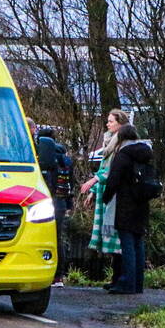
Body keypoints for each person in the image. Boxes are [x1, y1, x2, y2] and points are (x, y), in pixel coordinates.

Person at [81, 109, 130, 288]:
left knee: (117, 238)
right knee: (112, 238)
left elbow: (110, 170)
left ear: (120, 123)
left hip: (115, 196)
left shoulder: (121, 144)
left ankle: (120, 278)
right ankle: (115, 278)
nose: (108, 124)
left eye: (111, 121)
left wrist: (94, 180)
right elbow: (103, 166)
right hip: (104, 192)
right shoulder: (109, 142)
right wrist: (94, 191)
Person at [102, 125, 153, 294]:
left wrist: (106, 197)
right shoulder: (146, 153)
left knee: (127, 245)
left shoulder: (123, 155)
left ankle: (127, 283)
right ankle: (138, 283)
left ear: (121, 138)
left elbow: (113, 180)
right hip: (142, 203)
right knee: (138, 243)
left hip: (125, 204)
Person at [36, 126, 74, 288]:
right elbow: (70, 183)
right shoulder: (67, 159)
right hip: (62, 202)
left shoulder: (43, 159)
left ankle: (50, 273)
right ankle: (59, 276)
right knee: (58, 237)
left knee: (47, 237)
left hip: (49, 201)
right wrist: (69, 204)